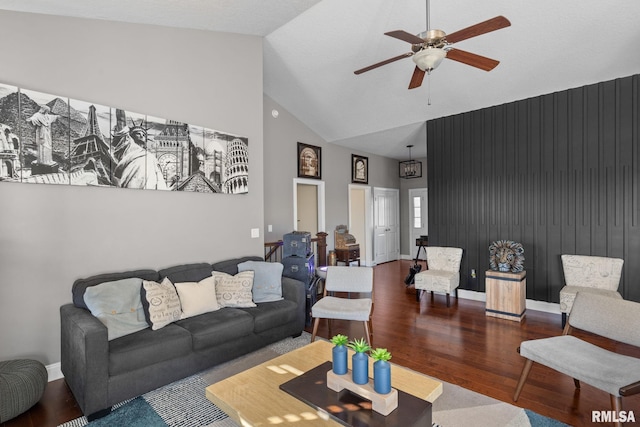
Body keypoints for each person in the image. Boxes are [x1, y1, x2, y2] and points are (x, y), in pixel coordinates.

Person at [111, 122, 167, 190]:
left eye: (143, 135)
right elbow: (121, 121)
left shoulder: (149, 156)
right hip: (131, 180)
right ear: (130, 136)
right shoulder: (128, 145)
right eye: (138, 134)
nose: (142, 136)